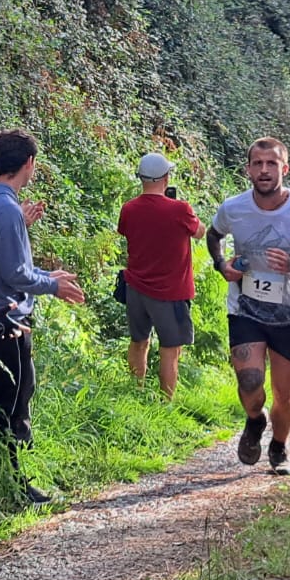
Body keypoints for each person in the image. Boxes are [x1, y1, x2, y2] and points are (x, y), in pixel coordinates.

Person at [0, 131, 85, 501]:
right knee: (12, 404)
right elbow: (14, 274)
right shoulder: (6, 209)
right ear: (29, 164)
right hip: (3, 322)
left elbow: (3, 263)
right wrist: (53, 286)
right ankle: (13, 485)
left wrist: (45, 277)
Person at [206, 138, 290, 476]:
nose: (264, 170)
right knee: (249, 382)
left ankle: (280, 446)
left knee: (284, 391)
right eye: (258, 163)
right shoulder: (234, 207)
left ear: (284, 169)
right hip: (245, 306)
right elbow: (213, 235)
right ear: (248, 169)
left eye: (271, 163)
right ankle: (253, 420)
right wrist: (222, 265)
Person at [117, 152, 207, 398]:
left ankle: (136, 393)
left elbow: (126, 232)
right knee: (170, 350)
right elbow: (200, 232)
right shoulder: (180, 209)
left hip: (135, 287)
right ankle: (166, 403)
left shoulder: (129, 208)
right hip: (171, 292)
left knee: (138, 342)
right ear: (166, 178)